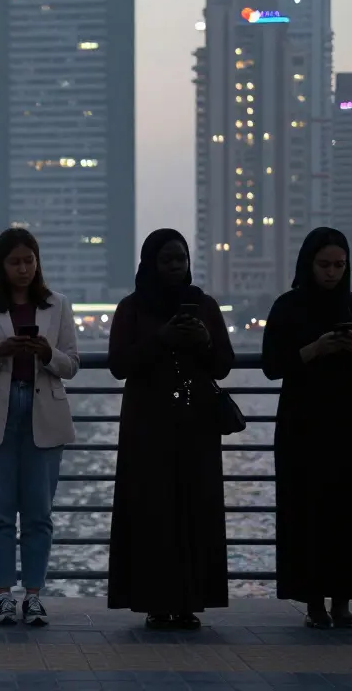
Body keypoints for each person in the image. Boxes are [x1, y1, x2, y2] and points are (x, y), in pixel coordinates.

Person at [106, 228, 234, 630]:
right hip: (147, 425)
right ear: (150, 264)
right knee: (151, 511)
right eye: (167, 260)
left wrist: (203, 341)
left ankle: (190, 601)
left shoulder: (204, 306)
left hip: (196, 425)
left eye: (180, 259)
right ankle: (154, 602)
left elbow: (224, 365)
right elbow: (118, 365)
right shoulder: (132, 308)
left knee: (195, 509)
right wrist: (161, 338)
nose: (176, 266)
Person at [261, 227, 352, 630]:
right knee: (306, 511)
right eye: (324, 265)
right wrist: (316, 349)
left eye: (339, 265)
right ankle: (314, 602)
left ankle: (344, 601)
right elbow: (271, 365)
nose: (332, 273)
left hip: (351, 427)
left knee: (349, 512)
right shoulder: (288, 307)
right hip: (303, 426)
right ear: (308, 264)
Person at [0, 228, 79, 626]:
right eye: (14, 262)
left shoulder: (58, 305)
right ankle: (4, 595)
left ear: (37, 262)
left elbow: (73, 365)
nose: (23, 269)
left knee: (40, 512)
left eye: (29, 260)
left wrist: (47, 353)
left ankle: (35, 595)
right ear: (1, 266)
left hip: (44, 411)